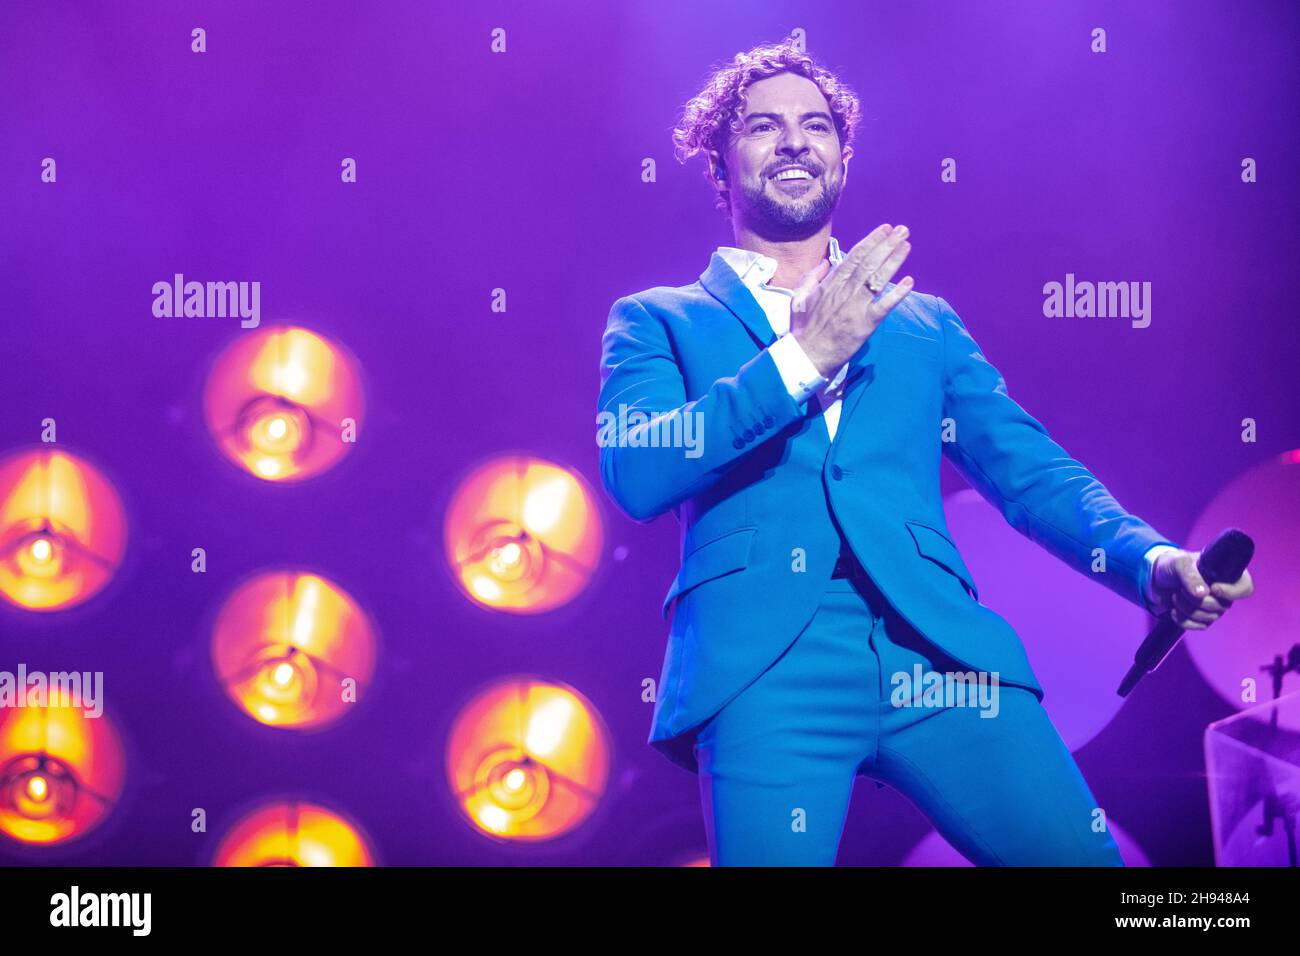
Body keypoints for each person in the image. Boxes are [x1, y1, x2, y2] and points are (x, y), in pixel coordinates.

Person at [595, 36, 1254, 866]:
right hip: (762, 667)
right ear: (719, 164)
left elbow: (1030, 471)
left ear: (842, 156)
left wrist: (1148, 560)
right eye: (764, 126)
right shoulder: (658, 317)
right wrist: (801, 360)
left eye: (817, 125)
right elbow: (639, 471)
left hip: (939, 654)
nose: (795, 140)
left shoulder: (922, 323)